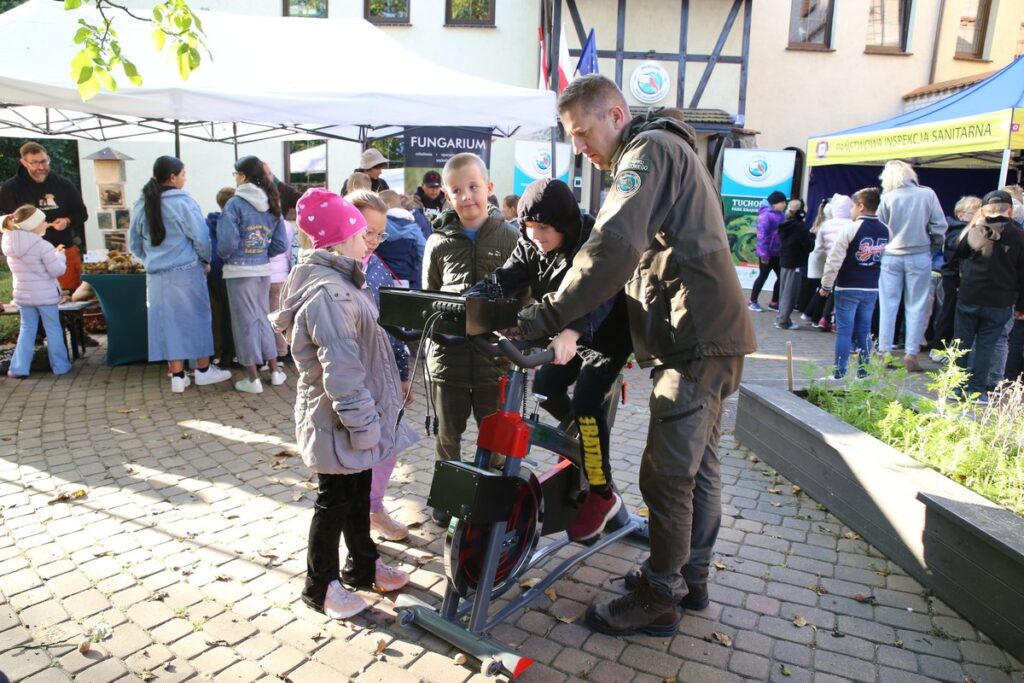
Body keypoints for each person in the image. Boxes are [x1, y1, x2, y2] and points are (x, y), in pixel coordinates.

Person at [517, 74, 756, 636]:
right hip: (704, 335)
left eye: (581, 132)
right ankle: (686, 577)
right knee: (699, 470)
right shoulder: (667, 149)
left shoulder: (647, 152)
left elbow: (612, 249)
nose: (578, 146)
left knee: (667, 476)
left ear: (616, 115)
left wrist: (545, 317)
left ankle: (661, 595)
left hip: (695, 340)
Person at [270, 189, 415, 620]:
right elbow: (342, 372)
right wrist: (365, 425)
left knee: (355, 496)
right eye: (360, 232)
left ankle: (362, 566)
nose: (368, 241)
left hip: (352, 419)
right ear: (337, 241)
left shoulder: (342, 282)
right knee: (334, 501)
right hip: (340, 421)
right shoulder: (330, 294)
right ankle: (320, 585)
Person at [474, 178, 631, 542]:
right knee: (545, 386)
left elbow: (598, 289)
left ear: (563, 224)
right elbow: (503, 280)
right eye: (528, 228)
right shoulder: (531, 243)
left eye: (542, 228)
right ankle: (586, 444)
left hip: (605, 331)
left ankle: (601, 492)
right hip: (564, 331)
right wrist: (466, 304)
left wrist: (575, 331)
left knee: (589, 404)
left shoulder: (595, 238)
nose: (534, 236)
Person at [422, 152, 518, 523]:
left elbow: (523, 298)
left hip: (495, 363)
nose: (467, 197)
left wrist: (512, 338)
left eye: (474, 187)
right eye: (457, 191)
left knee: (495, 440)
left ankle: (492, 505)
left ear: (489, 189)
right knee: (448, 437)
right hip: (448, 364)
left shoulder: (511, 239)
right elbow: (428, 295)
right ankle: (447, 502)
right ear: (447, 196)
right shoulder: (438, 242)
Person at [128, 156, 233, 392]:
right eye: (184, 174)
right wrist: (205, 260)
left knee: (167, 324)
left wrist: (149, 261)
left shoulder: (141, 203)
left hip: (156, 275)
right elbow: (201, 237)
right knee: (197, 320)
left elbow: (134, 243)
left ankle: (177, 375)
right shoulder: (184, 203)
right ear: (173, 177)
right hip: (186, 271)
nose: (185, 178)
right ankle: (203, 370)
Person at [345, 189, 413, 541]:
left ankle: (374, 508)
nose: (372, 241)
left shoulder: (379, 270)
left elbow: (396, 327)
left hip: (382, 377)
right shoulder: (333, 273)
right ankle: (355, 522)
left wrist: (403, 375)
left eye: (379, 233)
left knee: (388, 443)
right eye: (365, 232)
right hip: (349, 383)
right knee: (353, 454)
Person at [217, 155, 289, 394]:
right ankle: (275, 370)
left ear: (243, 176)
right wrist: (260, 252)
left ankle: (252, 378)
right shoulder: (272, 201)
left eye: (235, 174)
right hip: (262, 270)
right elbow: (280, 244)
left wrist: (230, 254)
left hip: (239, 271)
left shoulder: (234, 204)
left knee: (244, 322)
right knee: (262, 318)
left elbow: (226, 243)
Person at [953, 190, 1024, 402]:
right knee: (986, 345)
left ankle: (955, 386)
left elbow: (960, 251)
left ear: (983, 211)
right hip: (1000, 301)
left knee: (962, 343)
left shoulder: (976, 231)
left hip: (970, 296)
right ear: (1010, 210)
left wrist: (976, 222)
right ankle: (975, 390)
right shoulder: (1019, 236)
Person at [877, 160, 948, 373]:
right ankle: (911, 352)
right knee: (917, 305)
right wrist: (932, 246)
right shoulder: (927, 194)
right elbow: (939, 226)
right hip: (919, 254)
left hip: (891, 255)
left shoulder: (887, 198)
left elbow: (880, 228)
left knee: (888, 304)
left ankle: (884, 351)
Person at [819, 187, 890, 379]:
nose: (850, 210)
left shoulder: (850, 228)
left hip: (847, 286)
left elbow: (834, 259)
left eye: (852, 206)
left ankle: (838, 373)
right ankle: (864, 372)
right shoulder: (886, 230)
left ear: (861, 206)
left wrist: (826, 285)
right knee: (864, 330)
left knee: (844, 331)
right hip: (871, 287)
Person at [0, 142, 88, 293]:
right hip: (28, 258)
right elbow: (2, 221)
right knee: (38, 300)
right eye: (34, 163)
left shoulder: (63, 184)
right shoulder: (10, 188)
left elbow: (82, 213)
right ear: (23, 162)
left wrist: (67, 221)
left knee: (70, 301)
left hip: (62, 251)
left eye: (44, 161)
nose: (41, 167)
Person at [2, 205, 72, 379]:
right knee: (53, 329)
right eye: (42, 221)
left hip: (23, 295)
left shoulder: (9, 243)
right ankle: (61, 366)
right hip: (45, 296)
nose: (46, 224)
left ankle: (18, 368)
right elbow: (56, 270)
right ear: (33, 225)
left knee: (27, 329)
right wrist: (60, 256)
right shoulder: (43, 246)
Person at [929, 196, 981, 362]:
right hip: (954, 278)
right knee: (949, 312)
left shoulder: (963, 229)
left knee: (952, 312)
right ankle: (939, 348)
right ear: (960, 214)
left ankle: (945, 348)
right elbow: (956, 256)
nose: (976, 216)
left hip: (957, 277)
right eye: (972, 212)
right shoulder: (958, 230)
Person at [805, 194, 853, 331]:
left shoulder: (825, 226)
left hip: (830, 263)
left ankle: (823, 318)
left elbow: (818, 249)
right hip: (847, 266)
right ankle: (834, 321)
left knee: (828, 290)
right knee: (842, 295)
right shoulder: (853, 225)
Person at [204, 187, 236, 365]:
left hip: (212, 272)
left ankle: (216, 353)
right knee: (232, 315)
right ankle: (233, 353)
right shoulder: (234, 221)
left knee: (215, 315)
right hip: (231, 272)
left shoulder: (208, 222)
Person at [374, 189, 425, 289]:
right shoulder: (413, 228)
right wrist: (415, 267)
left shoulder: (380, 225)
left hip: (379, 274)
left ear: (385, 205)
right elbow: (423, 250)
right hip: (403, 278)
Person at [775, 199, 812, 330]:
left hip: (785, 260)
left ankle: (782, 318)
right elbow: (809, 245)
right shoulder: (799, 227)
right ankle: (783, 321)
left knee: (784, 292)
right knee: (790, 293)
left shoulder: (785, 224)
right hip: (794, 261)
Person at [747, 190, 786, 312]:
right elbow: (762, 236)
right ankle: (752, 301)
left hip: (778, 253)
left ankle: (774, 302)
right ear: (774, 203)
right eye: (782, 202)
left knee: (781, 276)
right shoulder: (766, 215)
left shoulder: (781, 215)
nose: (784, 204)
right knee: (763, 276)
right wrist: (764, 255)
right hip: (767, 254)